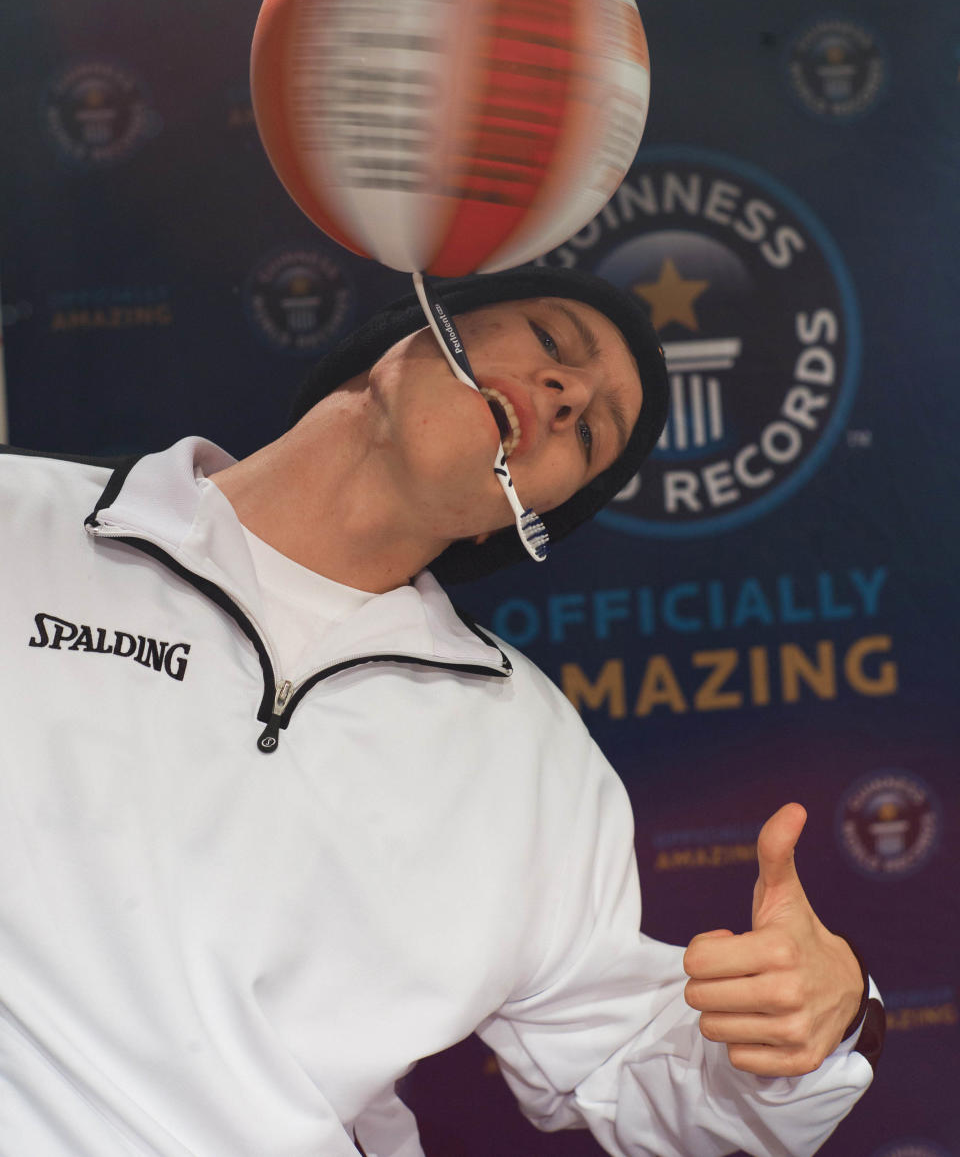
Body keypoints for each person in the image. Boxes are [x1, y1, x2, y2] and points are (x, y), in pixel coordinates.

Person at [0, 266, 882, 1157]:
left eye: (593, 434)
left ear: (520, 520)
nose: (571, 394)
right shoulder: (20, 528)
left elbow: (636, 1070)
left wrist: (815, 1030)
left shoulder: (529, 755)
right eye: (549, 340)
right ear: (401, 333)